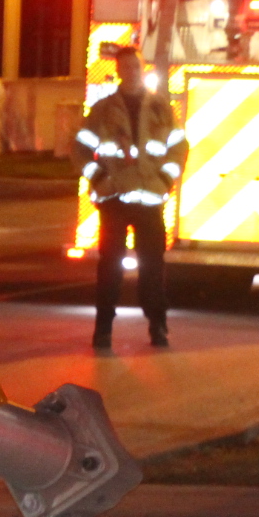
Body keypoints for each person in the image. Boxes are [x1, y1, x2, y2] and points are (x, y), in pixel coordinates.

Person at [72, 44, 188, 350]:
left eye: (135, 67)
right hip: (115, 201)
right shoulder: (103, 110)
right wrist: (99, 178)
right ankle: (103, 332)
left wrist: (164, 180)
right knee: (109, 269)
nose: (131, 72)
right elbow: (80, 148)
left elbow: (178, 147)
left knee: (153, 269)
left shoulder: (162, 108)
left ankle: (158, 328)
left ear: (143, 68)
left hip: (150, 202)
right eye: (125, 68)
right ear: (119, 72)